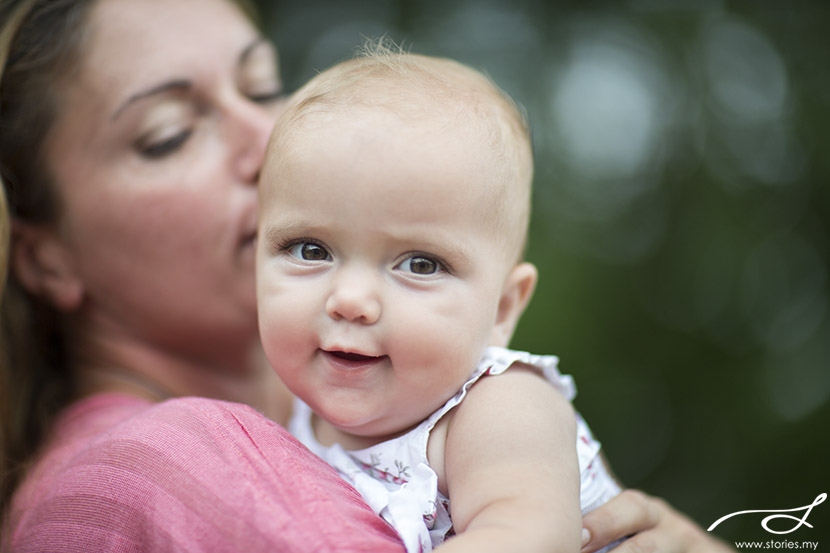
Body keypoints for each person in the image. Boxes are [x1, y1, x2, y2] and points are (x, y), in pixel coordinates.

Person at [0, 0, 734, 551]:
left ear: (507, 304)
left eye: (262, 88)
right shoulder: (145, 475)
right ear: (45, 255)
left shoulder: (486, 410)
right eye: (170, 134)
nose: (268, 139)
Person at [255, 46, 733, 553]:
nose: (350, 300)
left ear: (504, 309)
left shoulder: (501, 410)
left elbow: (524, 540)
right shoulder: (290, 419)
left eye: (420, 264)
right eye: (310, 250)